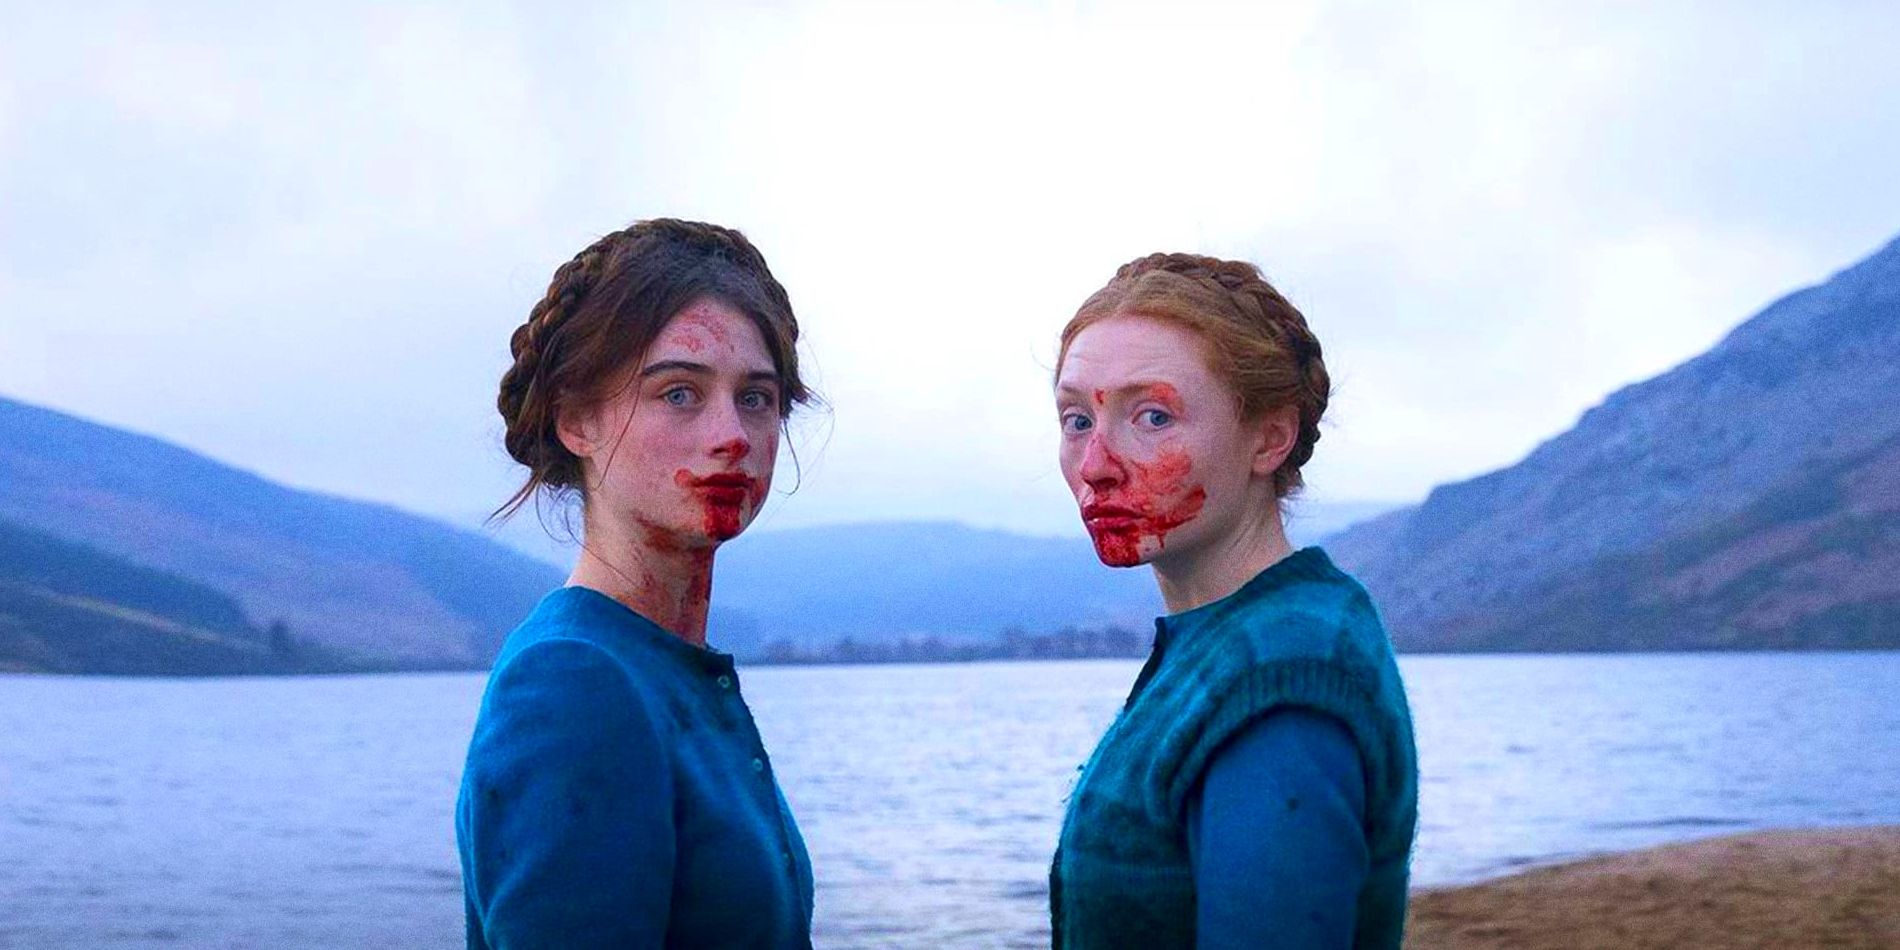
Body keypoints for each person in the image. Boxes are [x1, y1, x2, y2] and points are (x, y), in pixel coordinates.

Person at [456, 218, 816, 948]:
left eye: (756, 397)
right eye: (679, 394)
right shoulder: (574, 682)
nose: (733, 436)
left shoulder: (659, 667)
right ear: (576, 420)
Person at [1047, 253, 1419, 949]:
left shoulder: (1285, 673)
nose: (1096, 465)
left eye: (1152, 416)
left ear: (1269, 438)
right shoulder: (1237, 641)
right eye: (1076, 421)